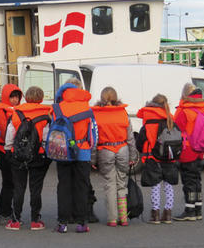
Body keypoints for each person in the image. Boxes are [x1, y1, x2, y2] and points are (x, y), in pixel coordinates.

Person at [3, 86, 51, 231]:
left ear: (26, 97)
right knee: (35, 189)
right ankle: (35, 220)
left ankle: (15, 220)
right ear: (41, 98)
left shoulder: (17, 112)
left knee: (19, 187)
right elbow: (47, 137)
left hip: (18, 155)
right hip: (39, 155)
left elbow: (10, 134)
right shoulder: (46, 113)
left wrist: (8, 150)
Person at [52, 79, 96, 233]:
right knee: (81, 186)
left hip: (63, 151)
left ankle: (63, 223)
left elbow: (54, 129)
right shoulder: (87, 108)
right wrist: (89, 148)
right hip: (82, 151)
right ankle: (82, 222)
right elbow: (93, 132)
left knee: (63, 186)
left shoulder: (58, 108)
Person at [93, 86, 139, 227]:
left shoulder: (96, 114)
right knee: (121, 184)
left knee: (110, 184)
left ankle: (112, 218)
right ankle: (123, 217)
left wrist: (93, 159)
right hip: (122, 149)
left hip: (105, 149)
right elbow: (130, 137)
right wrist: (133, 156)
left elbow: (94, 138)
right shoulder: (122, 112)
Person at [136, 94, 179, 224]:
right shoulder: (171, 119)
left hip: (153, 156)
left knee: (155, 185)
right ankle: (168, 214)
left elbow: (140, 140)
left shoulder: (149, 121)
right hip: (169, 157)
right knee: (168, 185)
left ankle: (155, 214)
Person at [173, 83, 204, 221]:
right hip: (200, 150)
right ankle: (198, 209)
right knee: (197, 180)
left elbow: (176, 129)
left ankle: (189, 210)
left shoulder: (184, 111)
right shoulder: (202, 110)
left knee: (188, 181)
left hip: (187, 150)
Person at [0, 84, 23, 224]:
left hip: (10, 150)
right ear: (6, 96)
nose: (15, 100)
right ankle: (4, 212)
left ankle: (4, 211)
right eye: (12, 96)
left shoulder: (14, 110)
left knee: (10, 183)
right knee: (10, 183)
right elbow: (4, 131)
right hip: (4, 151)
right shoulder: (0, 111)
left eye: (17, 97)